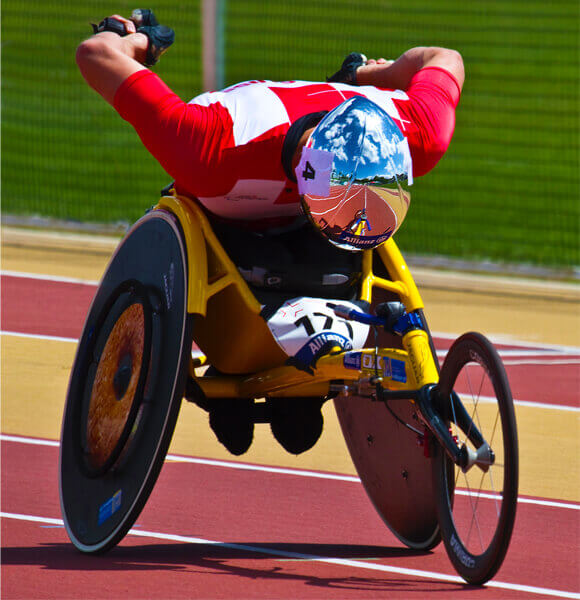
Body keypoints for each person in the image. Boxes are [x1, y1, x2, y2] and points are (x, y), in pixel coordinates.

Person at [76, 10, 464, 455]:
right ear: (307, 176)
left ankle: (296, 387)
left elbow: (445, 57)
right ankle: (240, 374)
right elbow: (95, 54)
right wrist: (132, 43)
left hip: (311, 232)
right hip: (225, 228)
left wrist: (371, 75)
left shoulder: (418, 135)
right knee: (261, 414)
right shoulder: (205, 144)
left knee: (300, 415)